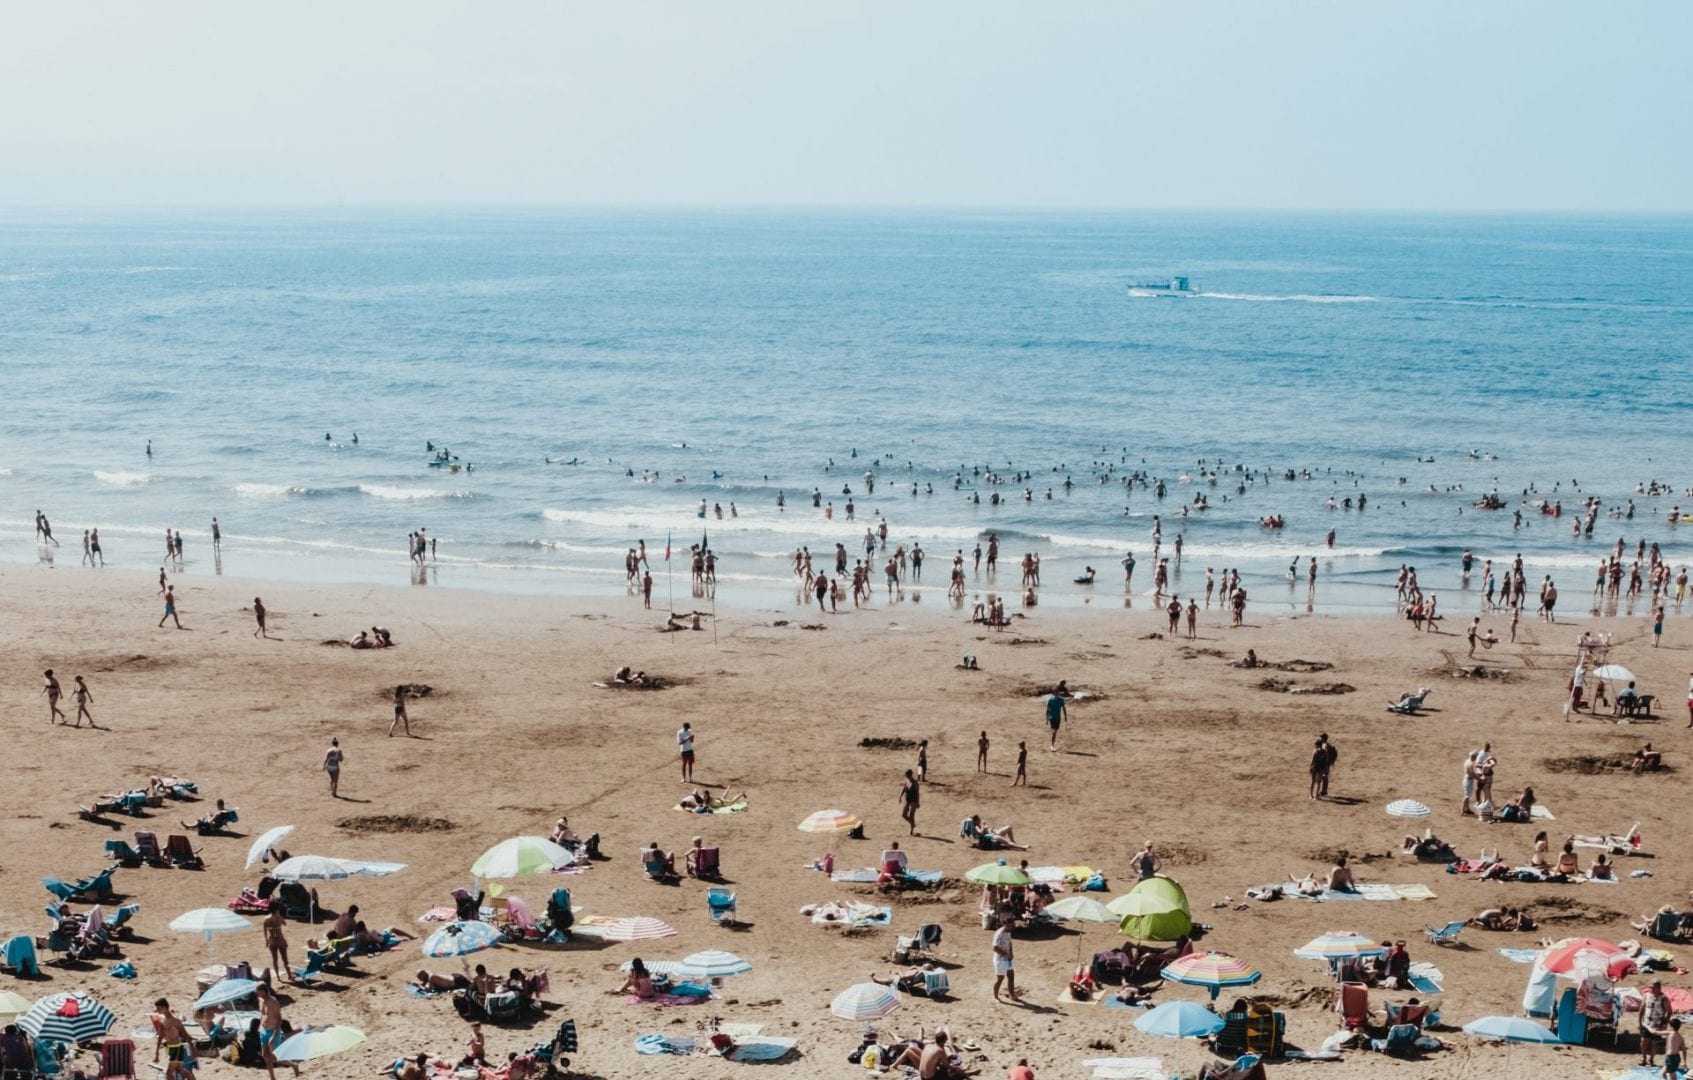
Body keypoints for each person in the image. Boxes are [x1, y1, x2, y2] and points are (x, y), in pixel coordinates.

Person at [153, 998, 192, 1080]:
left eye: (158, 1008)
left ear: (164, 1007)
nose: (157, 1010)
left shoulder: (175, 1021)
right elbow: (160, 1036)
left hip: (176, 1048)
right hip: (172, 1048)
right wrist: (157, 1052)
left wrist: (193, 1049)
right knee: (179, 1069)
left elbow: (185, 1034)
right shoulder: (162, 1020)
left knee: (169, 1073)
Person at [1641, 979, 1670, 1067]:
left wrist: (1664, 1022)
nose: (1651, 989)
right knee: (1643, 1042)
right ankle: (1644, 1059)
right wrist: (1639, 1022)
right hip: (1646, 1023)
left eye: (1653, 988)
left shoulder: (1664, 998)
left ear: (1658, 988)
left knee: (1654, 1043)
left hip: (1657, 1025)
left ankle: (1651, 1059)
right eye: (1650, 987)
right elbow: (1642, 1009)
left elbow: (1670, 1011)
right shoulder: (1647, 996)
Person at [992, 916, 1018, 1001]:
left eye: (1012, 925)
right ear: (1004, 924)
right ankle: (996, 996)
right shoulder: (999, 933)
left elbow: (1009, 943)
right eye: (1009, 925)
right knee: (1000, 978)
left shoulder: (1008, 932)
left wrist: (1011, 953)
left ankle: (1012, 995)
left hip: (1008, 959)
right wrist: (1005, 955)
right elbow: (995, 948)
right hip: (1000, 960)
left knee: (1011, 975)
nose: (1011, 927)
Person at [899, 769, 920, 835]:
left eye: (907, 776)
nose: (906, 777)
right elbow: (904, 788)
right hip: (908, 799)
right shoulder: (907, 781)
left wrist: (918, 802)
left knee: (911, 815)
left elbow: (917, 793)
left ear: (910, 775)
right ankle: (912, 824)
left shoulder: (915, 783)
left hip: (914, 800)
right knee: (903, 815)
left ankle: (911, 831)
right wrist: (900, 796)